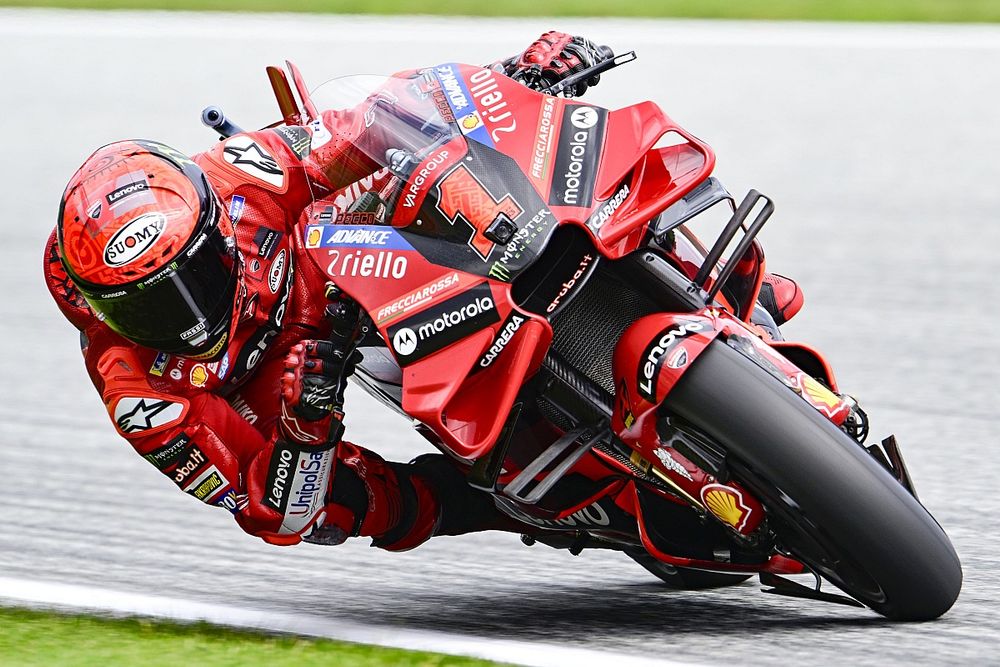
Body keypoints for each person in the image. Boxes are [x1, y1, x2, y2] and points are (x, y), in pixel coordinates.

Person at [45, 32, 803, 551]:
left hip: (343, 264)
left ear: (213, 225)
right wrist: (307, 422)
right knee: (341, 506)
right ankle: (477, 500)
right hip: (285, 378)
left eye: (192, 277)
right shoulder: (142, 393)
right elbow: (274, 513)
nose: (185, 315)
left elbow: (366, 126)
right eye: (148, 306)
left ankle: (695, 280)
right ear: (102, 310)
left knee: (470, 174)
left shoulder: (242, 178)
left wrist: (516, 78)